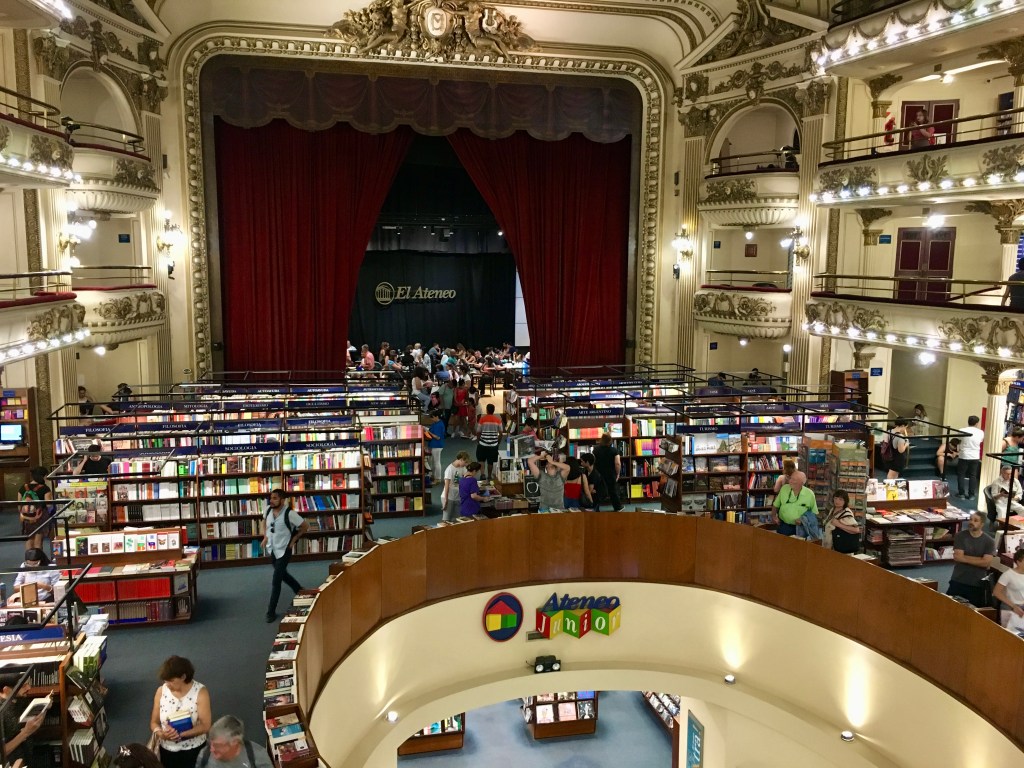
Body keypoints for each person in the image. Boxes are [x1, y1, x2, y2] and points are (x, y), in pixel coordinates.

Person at [149, 656, 211, 768]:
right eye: (165, 681)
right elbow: (154, 723)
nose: (167, 685)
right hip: (167, 749)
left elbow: (205, 725)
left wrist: (180, 735)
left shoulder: (200, 692)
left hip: (194, 749)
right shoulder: (161, 691)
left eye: (171, 681)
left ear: (183, 677)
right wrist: (161, 734)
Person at [262, 489, 308, 623]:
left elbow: (305, 526)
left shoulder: (290, 514)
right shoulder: (268, 510)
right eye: (271, 498)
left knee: (276, 580)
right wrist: (264, 536)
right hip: (273, 549)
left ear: (282, 500)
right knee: (282, 575)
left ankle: (271, 611)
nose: (271, 500)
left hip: (284, 550)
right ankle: (299, 589)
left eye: (275, 498)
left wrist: (294, 540)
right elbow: (263, 521)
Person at [946, 511, 995, 608]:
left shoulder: (989, 541)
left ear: (982, 524)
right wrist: (979, 559)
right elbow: (958, 557)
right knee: (949, 607)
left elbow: (986, 563)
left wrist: (965, 557)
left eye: (975, 520)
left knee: (973, 612)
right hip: (958, 579)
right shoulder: (960, 536)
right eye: (971, 519)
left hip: (977, 583)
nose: (971, 522)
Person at [0, 671, 46, 764]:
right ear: (6, 690)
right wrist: (25, 732)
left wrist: (45, 705)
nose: (29, 688)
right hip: (13, 764)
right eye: (23, 685)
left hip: (29, 758)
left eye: (28, 684)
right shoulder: (2, 712)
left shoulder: (20, 700)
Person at [193, 716, 272, 768]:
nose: (211, 749)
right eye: (210, 744)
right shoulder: (204, 755)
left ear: (235, 742)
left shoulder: (257, 756)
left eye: (217, 745)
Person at [772, 470, 819, 538]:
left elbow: (814, 514)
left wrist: (803, 520)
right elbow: (776, 504)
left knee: (799, 547)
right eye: (791, 478)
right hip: (784, 526)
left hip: (801, 528)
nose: (790, 481)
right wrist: (773, 516)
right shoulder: (784, 488)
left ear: (801, 483)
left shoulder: (809, 494)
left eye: (794, 480)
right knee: (782, 546)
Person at [19, 466, 53, 550]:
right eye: (46, 476)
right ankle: (37, 560)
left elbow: (19, 504)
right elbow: (49, 505)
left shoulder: (23, 487)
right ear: (43, 476)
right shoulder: (45, 488)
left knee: (29, 539)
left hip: (26, 517)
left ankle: (29, 560)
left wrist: (25, 514)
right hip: (40, 517)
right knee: (38, 541)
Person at [993, 547, 1024, 635]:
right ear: (1018, 561)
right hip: (1010, 609)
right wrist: (1014, 606)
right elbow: (996, 592)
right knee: (1009, 638)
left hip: (1022, 610)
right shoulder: (1008, 575)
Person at [984, 464, 1024, 530]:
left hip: (1012, 502)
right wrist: (1001, 494)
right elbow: (993, 496)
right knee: (1002, 513)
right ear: (1002, 472)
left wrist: (1015, 497)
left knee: (1022, 509)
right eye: (1007, 474)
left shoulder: (1015, 481)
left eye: (1010, 474)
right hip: (1001, 502)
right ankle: (1002, 530)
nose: (1009, 476)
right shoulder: (996, 482)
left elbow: (1019, 493)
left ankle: (1016, 526)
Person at [956, 415, 984, 500]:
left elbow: (958, 439)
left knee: (961, 474)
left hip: (964, 454)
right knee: (973, 475)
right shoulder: (981, 432)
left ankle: (961, 494)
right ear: (977, 423)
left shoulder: (962, 430)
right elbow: (980, 441)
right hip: (975, 455)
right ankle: (971, 494)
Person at [593, 434, 624, 511]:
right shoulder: (614, 450)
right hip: (610, 474)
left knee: (598, 491)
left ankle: (596, 508)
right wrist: (618, 473)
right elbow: (618, 463)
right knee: (613, 491)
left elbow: (593, 461)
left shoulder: (595, 449)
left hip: (598, 474)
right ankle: (617, 507)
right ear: (610, 441)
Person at [476, 403, 503, 479]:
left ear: (487, 410)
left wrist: (479, 441)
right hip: (493, 445)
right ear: (493, 411)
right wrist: (498, 442)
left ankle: (482, 474)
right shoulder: (498, 420)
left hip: (483, 444)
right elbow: (501, 433)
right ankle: (489, 475)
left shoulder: (482, 419)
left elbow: (478, 432)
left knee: (481, 459)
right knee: (491, 461)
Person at [441, 451, 470, 521]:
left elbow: (467, 477)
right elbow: (446, 485)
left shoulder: (462, 468)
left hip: (457, 497)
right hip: (449, 497)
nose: (466, 464)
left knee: (458, 519)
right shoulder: (449, 469)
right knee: (446, 519)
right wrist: (446, 500)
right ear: (461, 459)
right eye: (465, 462)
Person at [425, 410, 446, 482]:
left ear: (437, 417)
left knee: (437, 462)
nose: (432, 419)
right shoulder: (436, 423)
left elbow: (437, 437)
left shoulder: (439, 425)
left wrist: (428, 431)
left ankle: (438, 478)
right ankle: (434, 476)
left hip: (437, 445)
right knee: (434, 462)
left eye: (433, 417)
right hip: (433, 445)